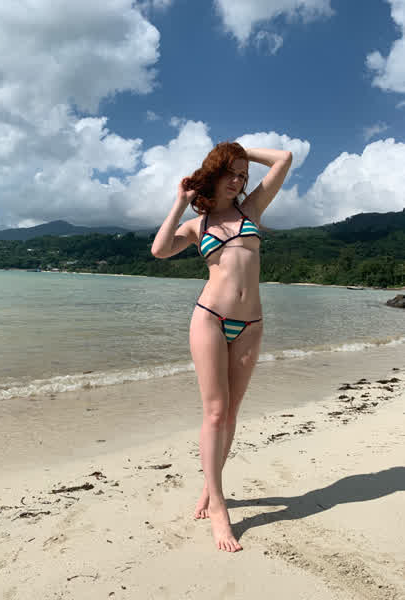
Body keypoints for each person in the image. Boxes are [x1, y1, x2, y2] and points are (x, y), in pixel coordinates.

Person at [151, 141, 292, 552]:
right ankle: (218, 506)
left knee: (230, 414)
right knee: (215, 412)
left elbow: (283, 158)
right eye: (230, 172)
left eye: (243, 175)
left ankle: (209, 488)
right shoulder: (198, 225)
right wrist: (180, 202)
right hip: (210, 319)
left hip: (251, 325)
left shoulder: (252, 210)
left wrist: (240, 148)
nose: (237, 180)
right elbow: (159, 250)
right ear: (214, 174)